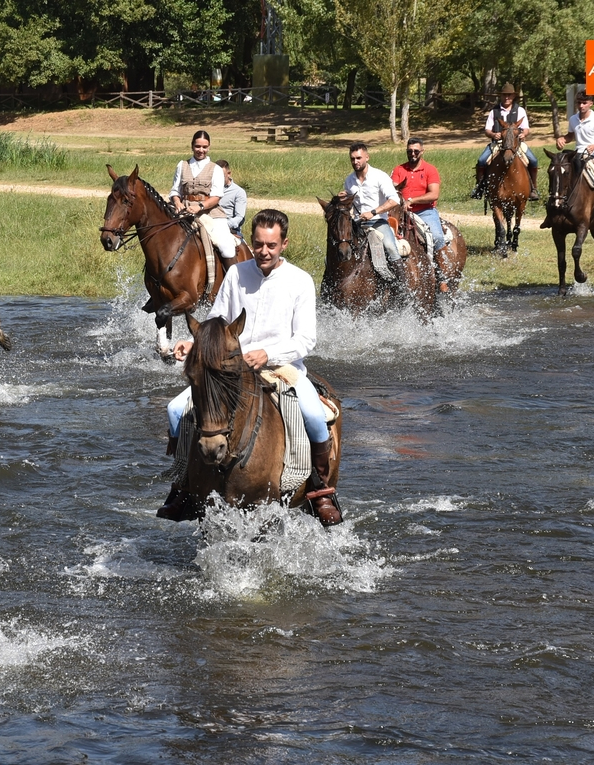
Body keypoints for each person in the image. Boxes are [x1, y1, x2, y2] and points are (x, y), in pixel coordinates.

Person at [160, 209, 342, 526]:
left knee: (314, 416)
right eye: (258, 244)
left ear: (284, 243)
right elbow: (215, 325)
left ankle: (320, 491)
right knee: (177, 411)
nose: (263, 252)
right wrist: (194, 343)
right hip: (229, 368)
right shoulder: (236, 274)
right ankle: (182, 487)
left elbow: (306, 340)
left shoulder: (300, 281)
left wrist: (266, 353)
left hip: (284, 367)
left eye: (271, 245)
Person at [169, 130, 239, 270]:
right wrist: (177, 202)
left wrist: (199, 206)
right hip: (184, 209)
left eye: (204, 147)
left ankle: (234, 280)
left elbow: (216, 197)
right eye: (198, 146)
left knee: (226, 247)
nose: (201, 150)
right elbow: (175, 190)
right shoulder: (182, 165)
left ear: (209, 147)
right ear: (192, 146)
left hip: (210, 212)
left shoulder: (216, 169)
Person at [555, 89, 594, 237]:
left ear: (591, 103)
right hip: (578, 154)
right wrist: (562, 139)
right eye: (579, 103)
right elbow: (571, 136)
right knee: (557, 170)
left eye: (584, 103)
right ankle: (553, 213)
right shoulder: (573, 119)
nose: (581, 106)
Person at [470, 82, 540, 200]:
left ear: (513, 96)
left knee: (533, 160)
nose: (507, 97)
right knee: (481, 160)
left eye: (509, 95)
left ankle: (533, 188)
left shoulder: (520, 111)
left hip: (516, 144)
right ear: (501, 96)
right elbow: (487, 130)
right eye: (504, 95)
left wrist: (523, 134)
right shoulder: (494, 111)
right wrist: (493, 134)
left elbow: (526, 129)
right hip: (497, 144)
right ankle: (480, 187)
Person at [344, 142, 402, 275]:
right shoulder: (349, 180)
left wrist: (373, 212)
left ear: (367, 157)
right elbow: (349, 203)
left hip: (378, 222)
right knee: (340, 245)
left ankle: (402, 286)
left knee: (390, 247)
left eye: (358, 158)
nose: (355, 161)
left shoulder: (379, 176)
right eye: (352, 159)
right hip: (357, 223)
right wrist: (344, 198)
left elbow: (394, 200)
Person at [390, 137, 447, 257]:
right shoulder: (398, 170)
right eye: (409, 151)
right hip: (401, 212)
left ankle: (442, 269)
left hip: (425, 211)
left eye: (416, 151)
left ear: (422, 151)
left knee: (436, 237)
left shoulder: (430, 170)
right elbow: (392, 188)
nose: (412, 154)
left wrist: (411, 201)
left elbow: (434, 194)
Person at [215, 159, 247, 240]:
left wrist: (224, 225)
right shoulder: (209, 189)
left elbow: (239, 217)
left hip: (229, 229)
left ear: (229, 174)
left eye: (221, 175)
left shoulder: (238, 192)